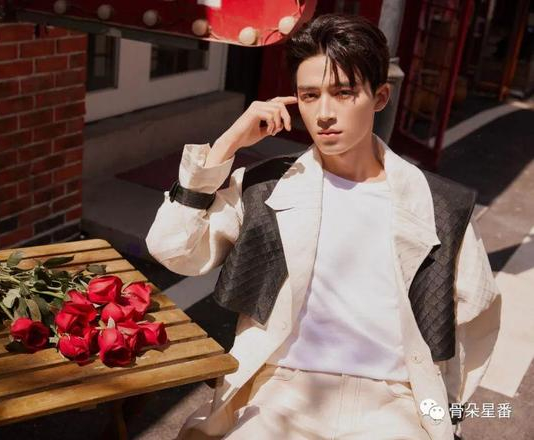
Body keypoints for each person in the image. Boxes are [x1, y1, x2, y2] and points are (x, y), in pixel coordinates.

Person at [146, 13, 501, 440]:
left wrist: (442, 413)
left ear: (380, 97)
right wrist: (227, 145)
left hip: (396, 401)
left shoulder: (438, 204)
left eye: (344, 92)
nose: (324, 114)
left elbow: (476, 323)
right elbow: (173, 249)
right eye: (310, 96)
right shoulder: (266, 187)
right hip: (280, 391)